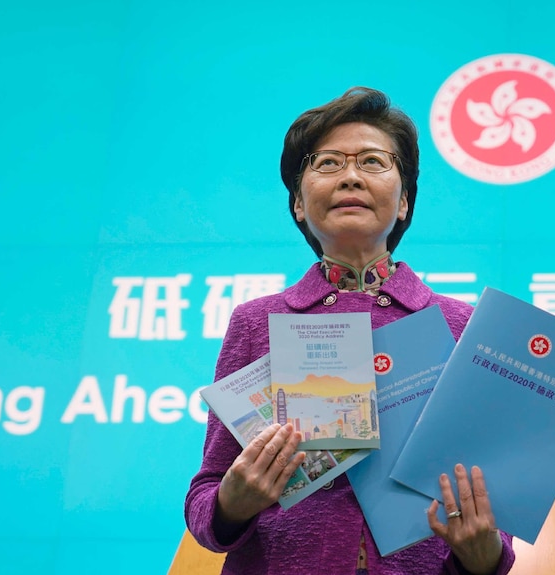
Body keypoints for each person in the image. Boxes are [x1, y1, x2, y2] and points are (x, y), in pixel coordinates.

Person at [185, 87, 515, 575]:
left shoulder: (460, 325)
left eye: (374, 162)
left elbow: (494, 520)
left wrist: (483, 549)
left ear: (404, 202)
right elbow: (206, 497)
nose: (351, 177)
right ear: (298, 204)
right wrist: (234, 500)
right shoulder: (257, 322)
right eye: (328, 163)